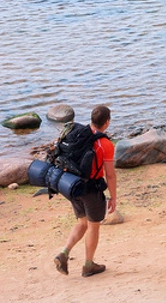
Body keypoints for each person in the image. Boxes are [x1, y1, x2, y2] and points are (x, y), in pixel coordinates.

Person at [54, 105, 118, 277]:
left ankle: (64, 253)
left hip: (73, 186)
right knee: (93, 226)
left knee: (82, 223)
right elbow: (110, 175)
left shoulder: (78, 135)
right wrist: (113, 197)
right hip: (91, 190)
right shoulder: (105, 144)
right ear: (107, 122)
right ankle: (88, 265)